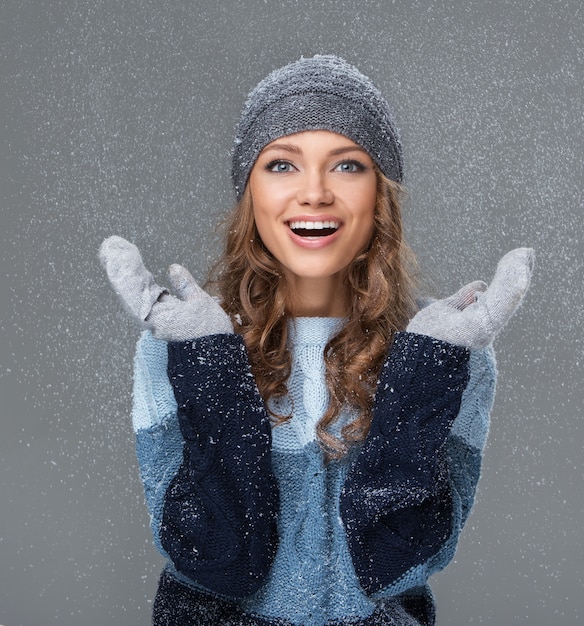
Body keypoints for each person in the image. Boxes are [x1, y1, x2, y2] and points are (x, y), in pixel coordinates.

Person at [99, 55, 534, 626]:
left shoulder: (445, 350)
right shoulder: (180, 341)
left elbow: (397, 566)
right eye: (282, 165)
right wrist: (210, 368)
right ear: (248, 190)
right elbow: (215, 562)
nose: (315, 193)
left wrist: (426, 372)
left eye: (347, 165)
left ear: (381, 192)